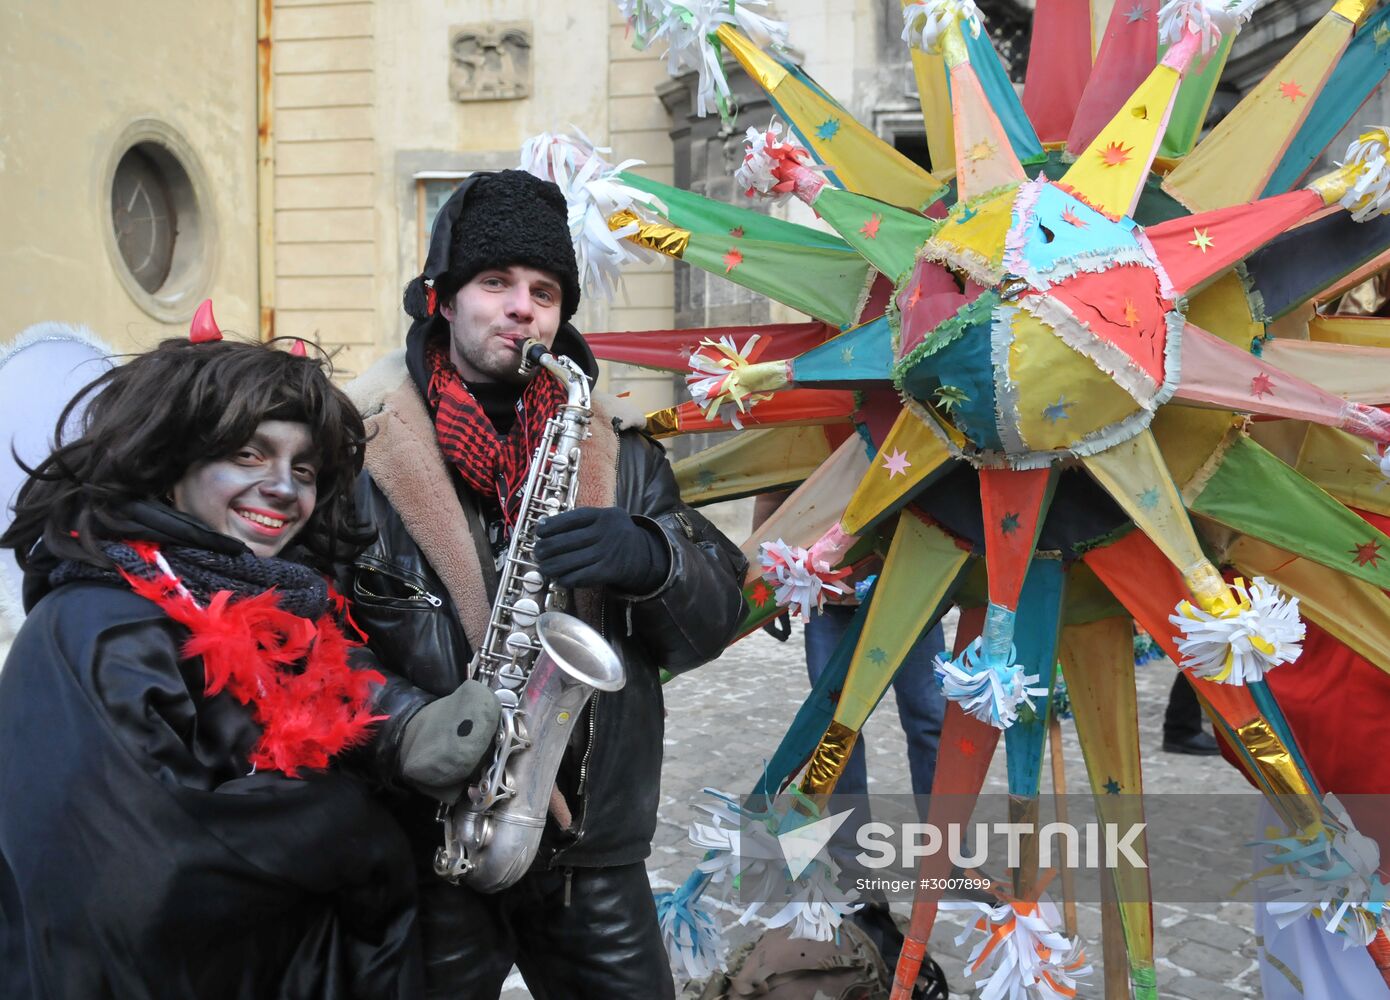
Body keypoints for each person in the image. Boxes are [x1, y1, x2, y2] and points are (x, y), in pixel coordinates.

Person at [341, 168, 748, 998]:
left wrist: (653, 557)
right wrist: (411, 727)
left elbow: (714, 619)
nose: (522, 307)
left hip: (590, 848)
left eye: (545, 290)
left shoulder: (626, 457)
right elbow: (311, 646)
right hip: (426, 842)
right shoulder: (355, 459)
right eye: (494, 282)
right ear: (443, 301)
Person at [0, 336, 422, 999]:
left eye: (305, 469)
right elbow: (141, 874)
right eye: (248, 454)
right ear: (169, 464)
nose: (282, 487)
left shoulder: (270, 605)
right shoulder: (99, 628)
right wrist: (353, 826)